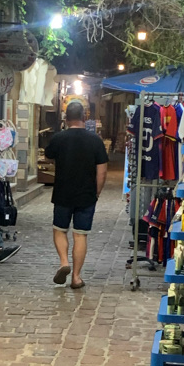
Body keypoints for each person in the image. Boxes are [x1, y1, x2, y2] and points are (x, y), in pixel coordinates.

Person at [44, 100, 108, 289]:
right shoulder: (95, 140)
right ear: (84, 117)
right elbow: (102, 171)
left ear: (66, 118)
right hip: (86, 194)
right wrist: (96, 192)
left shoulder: (58, 138)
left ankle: (64, 262)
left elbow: (48, 156)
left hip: (62, 192)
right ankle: (76, 277)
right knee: (80, 235)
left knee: (59, 230)